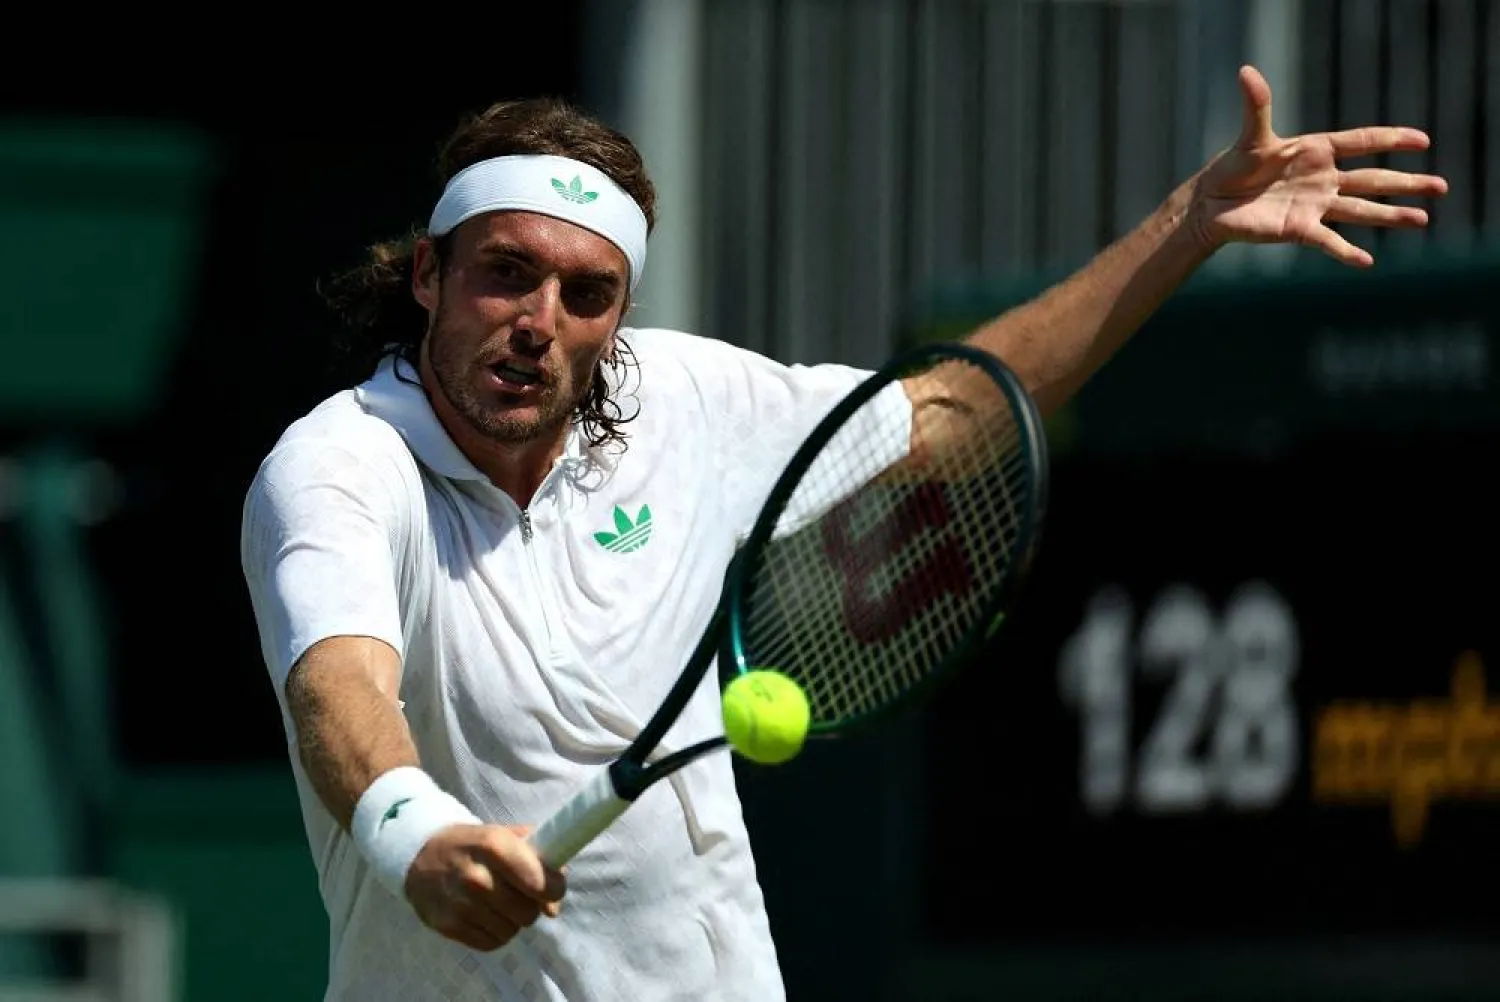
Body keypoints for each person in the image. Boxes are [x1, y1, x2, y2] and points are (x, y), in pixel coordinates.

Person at [239, 65, 1446, 1001]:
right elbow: (338, 686)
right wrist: (418, 835)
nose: (539, 320)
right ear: (428, 274)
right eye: (506, 272)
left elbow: (952, 416)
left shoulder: (685, 401)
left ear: (619, 314)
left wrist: (1189, 221)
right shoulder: (341, 464)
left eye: (586, 293)